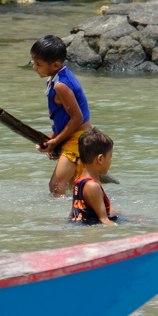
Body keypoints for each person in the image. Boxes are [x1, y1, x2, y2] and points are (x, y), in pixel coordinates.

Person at [30, 35, 93, 196]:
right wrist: (51, 142)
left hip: (78, 139)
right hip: (75, 137)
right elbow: (60, 119)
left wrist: (56, 141)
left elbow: (77, 118)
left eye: (38, 64)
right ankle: (80, 215)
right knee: (75, 187)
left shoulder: (61, 85)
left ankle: (61, 219)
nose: (34, 67)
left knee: (56, 185)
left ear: (56, 65)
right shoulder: (56, 78)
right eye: (33, 62)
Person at [69, 129, 116, 226]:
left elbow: (73, 214)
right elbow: (103, 219)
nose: (111, 162)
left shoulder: (78, 181)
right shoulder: (93, 186)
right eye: (110, 157)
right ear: (100, 159)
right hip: (91, 229)